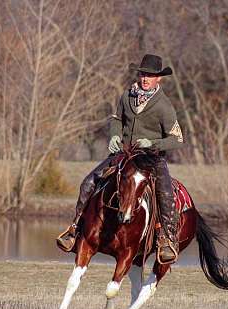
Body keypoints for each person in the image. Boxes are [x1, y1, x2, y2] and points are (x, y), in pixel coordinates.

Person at [56, 54, 184, 263]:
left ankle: (166, 240)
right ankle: (75, 229)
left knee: (166, 194)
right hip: (123, 154)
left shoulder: (164, 106)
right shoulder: (127, 96)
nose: (145, 79)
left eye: (150, 76)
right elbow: (117, 120)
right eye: (143, 74)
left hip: (151, 158)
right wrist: (115, 135)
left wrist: (152, 144)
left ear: (158, 78)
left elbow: (177, 139)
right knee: (88, 182)